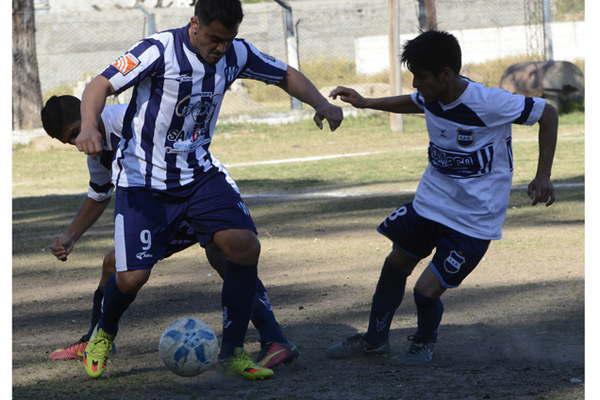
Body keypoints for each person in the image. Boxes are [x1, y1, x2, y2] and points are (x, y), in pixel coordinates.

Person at [74, 0, 343, 380]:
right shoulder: (158, 50)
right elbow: (99, 83)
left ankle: (233, 351)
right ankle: (104, 332)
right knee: (131, 277)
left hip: (199, 174)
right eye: (215, 39)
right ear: (194, 24)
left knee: (243, 246)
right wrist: (88, 127)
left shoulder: (237, 52)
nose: (220, 48)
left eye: (227, 40)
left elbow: (284, 75)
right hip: (143, 181)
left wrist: (321, 104)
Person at [326, 30, 557, 364]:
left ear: (445, 74)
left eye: (420, 78)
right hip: (431, 203)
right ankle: (374, 341)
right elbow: (413, 101)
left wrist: (543, 175)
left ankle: (423, 343)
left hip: (474, 218)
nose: (416, 85)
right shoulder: (433, 95)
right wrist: (366, 102)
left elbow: (547, 113)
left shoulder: (487, 102)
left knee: (426, 290)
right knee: (395, 265)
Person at [41, 95, 300, 370]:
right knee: (115, 265)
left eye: (74, 133)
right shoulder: (96, 148)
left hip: (196, 193)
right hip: (159, 212)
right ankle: (95, 338)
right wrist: (71, 235)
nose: (76, 143)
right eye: (68, 141)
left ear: (89, 112)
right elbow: (99, 193)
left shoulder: (130, 119)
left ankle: (274, 339)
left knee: (228, 254)